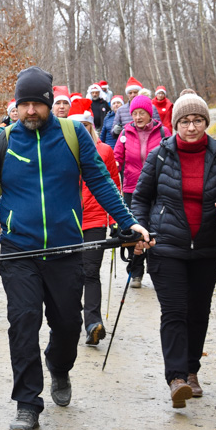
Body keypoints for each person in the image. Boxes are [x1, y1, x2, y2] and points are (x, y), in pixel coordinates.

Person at [0, 66, 150, 430]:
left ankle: (59, 367)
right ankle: (27, 403)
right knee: (23, 323)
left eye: (37, 103)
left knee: (67, 325)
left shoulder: (73, 134)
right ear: (16, 105)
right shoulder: (3, 140)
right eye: (24, 103)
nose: (30, 111)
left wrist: (129, 224)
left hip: (66, 249)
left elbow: (102, 182)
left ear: (49, 103)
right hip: (20, 252)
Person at [131, 93, 216, 408]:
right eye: (184, 121)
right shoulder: (161, 155)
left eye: (197, 120)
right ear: (175, 124)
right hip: (167, 246)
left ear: (206, 122)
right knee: (175, 311)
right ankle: (177, 378)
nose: (191, 127)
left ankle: (192, 370)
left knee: (198, 312)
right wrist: (140, 227)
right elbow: (140, 197)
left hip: (207, 248)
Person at [67, 99, 123, 346]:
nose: (82, 130)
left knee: (90, 272)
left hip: (95, 220)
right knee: (69, 274)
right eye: (77, 126)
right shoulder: (60, 150)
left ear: (91, 126)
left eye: (86, 125)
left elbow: (113, 185)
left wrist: (116, 219)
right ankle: (68, 321)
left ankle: (92, 323)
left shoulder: (105, 151)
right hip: (66, 222)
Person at [113, 94, 171, 288]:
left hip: (158, 189)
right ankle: (136, 271)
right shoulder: (124, 134)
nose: (137, 117)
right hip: (132, 189)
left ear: (149, 113)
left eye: (142, 113)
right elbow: (117, 159)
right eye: (134, 113)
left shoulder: (163, 132)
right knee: (133, 231)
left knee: (158, 230)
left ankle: (159, 272)